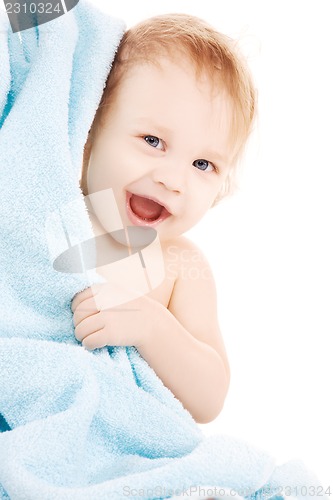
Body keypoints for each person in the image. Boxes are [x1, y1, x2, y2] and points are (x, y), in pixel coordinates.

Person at [71, 13, 256, 424]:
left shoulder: (180, 267)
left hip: (121, 442)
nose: (173, 180)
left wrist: (154, 327)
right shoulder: (53, 213)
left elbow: (209, 400)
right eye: (153, 141)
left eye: (203, 163)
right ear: (90, 130)